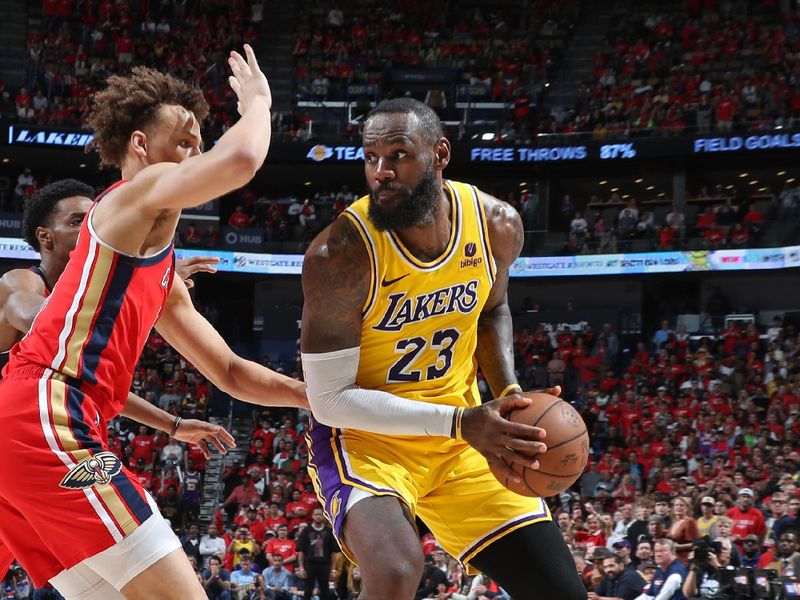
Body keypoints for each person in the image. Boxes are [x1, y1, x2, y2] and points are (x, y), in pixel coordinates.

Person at [0, 47, 307, 600]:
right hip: (47, 414)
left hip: (44, 423)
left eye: (198, 144)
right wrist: (259, 103)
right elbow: (239, 161)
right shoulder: (127, 198)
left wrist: (309, 396)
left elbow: (231, 372)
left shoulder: (156, 266)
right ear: (141, 145)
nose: (194, 154)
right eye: (183, 142)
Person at [300, 98, 584, 600]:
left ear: (439, 154)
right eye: (370, 158)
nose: (381, 172)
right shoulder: (339, 254)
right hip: (368, 442)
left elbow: (493, 308)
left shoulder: (497, 225)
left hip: (463, 438)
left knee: (560, 591)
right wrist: (462, 422)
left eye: (398, 155)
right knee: (395, 570)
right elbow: (329, 401)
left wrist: (510, 394)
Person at [296, 507, 338, 600]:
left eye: (320, 514)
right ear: (312, 516)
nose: (318, 517)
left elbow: (333, 552)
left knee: (325, 590)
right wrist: (301, 567)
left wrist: (333, 569)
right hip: (310, 564)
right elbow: (301, 551)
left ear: (323, 516)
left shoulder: (329, 531)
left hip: (324, 565)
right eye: (316, 514)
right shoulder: (306, 531)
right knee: (308, 590)